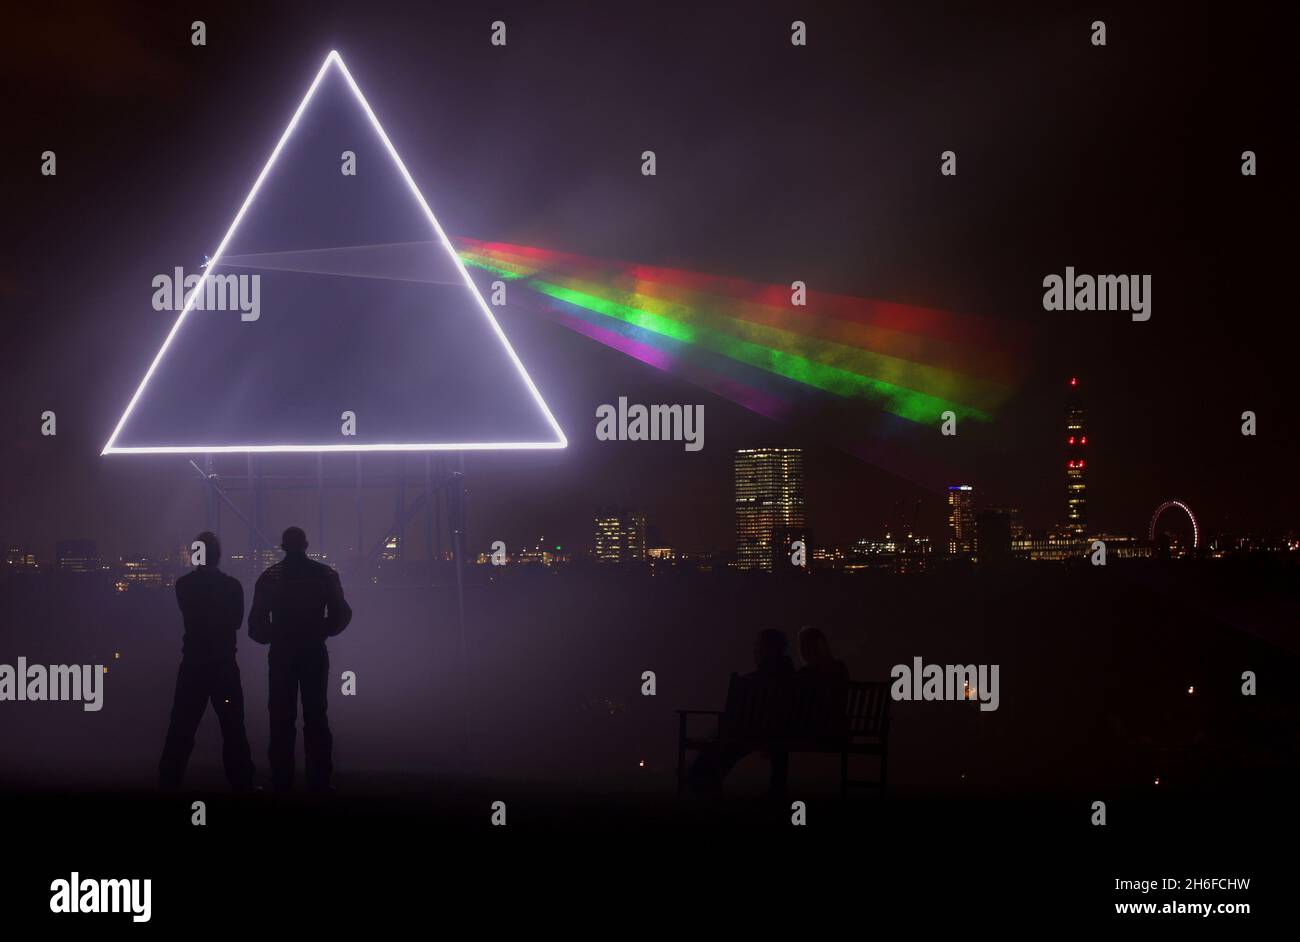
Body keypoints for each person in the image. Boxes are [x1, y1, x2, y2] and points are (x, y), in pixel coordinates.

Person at [249, 527, 352, 792]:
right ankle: (319, 779)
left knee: (281, 717)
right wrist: (320, 630)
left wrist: (279, 633)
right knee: (316, 715)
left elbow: (255, 627)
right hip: (313, 652)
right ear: (306, 545)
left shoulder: (269, 577)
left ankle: (281, 779)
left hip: (282, 654)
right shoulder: (324, 574)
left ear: (283, 546)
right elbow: (341, 614)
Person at [158, 532, 257, 791]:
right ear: (218, 555)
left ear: (195, 554)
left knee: (181, 725)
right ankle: (242, 781)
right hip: (223, 664)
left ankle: (169, 780)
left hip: (193, 664)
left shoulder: (183, 585)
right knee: (233, 727)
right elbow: (236, 622)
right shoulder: (233, 586)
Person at [686, 629, 794, 797]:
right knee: (723, 741)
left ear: (766, 649)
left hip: (752, 732)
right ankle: (777, 788)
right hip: (780, 731)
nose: (754, 649)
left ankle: (699, 778)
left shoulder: (749, 681)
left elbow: (733, 713)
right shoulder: (791, 677)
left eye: (758, 645)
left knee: (720, 740)